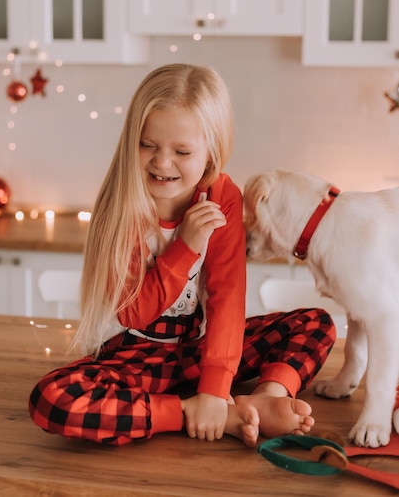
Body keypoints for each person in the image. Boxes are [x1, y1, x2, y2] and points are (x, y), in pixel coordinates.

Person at [29, 63, 336, 447]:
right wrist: (185, 246)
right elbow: (133, 312)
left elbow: (227, 298)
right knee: (53, 399)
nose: (161, 162)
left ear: (211, 153)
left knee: (314, 323)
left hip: (199, 351)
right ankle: (198, 413)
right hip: (133, 359)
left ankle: (265, 400)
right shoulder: (121, 203)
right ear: (131, 142)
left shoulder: (222, 196)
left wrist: (214, 386)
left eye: (182, 151)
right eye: (147, 145)